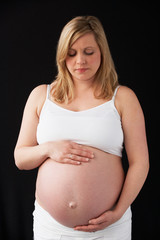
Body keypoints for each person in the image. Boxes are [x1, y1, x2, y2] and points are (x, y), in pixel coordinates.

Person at [14, 16, 149, 240]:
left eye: (89, 51)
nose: (80, 61)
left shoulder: (123, 98)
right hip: (51, 228)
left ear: (102, 52)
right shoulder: (41, 96)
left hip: (110, 228)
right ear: (62, 55)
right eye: (72, 52)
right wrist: (48, 149)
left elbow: (140, 162)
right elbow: (20, 158)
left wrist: (118, 212)